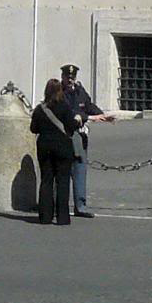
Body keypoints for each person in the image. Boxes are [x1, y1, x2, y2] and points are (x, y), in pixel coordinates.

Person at [57, 64, 114, 219]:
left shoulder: (80, 91)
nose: (70, 81)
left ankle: (80, 206)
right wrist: (89, 117)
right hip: (65, 136)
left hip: (80, 136)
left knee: (80, 170)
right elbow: (68, 112)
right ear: (62, 77)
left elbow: (88, 105)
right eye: (67, 78)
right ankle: (58, 205)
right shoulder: (59, 93)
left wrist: (103, 115)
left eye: (73, 78)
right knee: (62, 172)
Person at [29, 79, 79, 227]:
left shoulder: (40, 109)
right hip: (63, 148)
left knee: (46, 180)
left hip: (44, 147)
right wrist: (77, 121)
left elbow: (33, 129)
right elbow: (71, 126)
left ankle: (45, 216)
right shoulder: (65, 107)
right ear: (60, 91)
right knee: (62, 182)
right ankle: (62, 217)